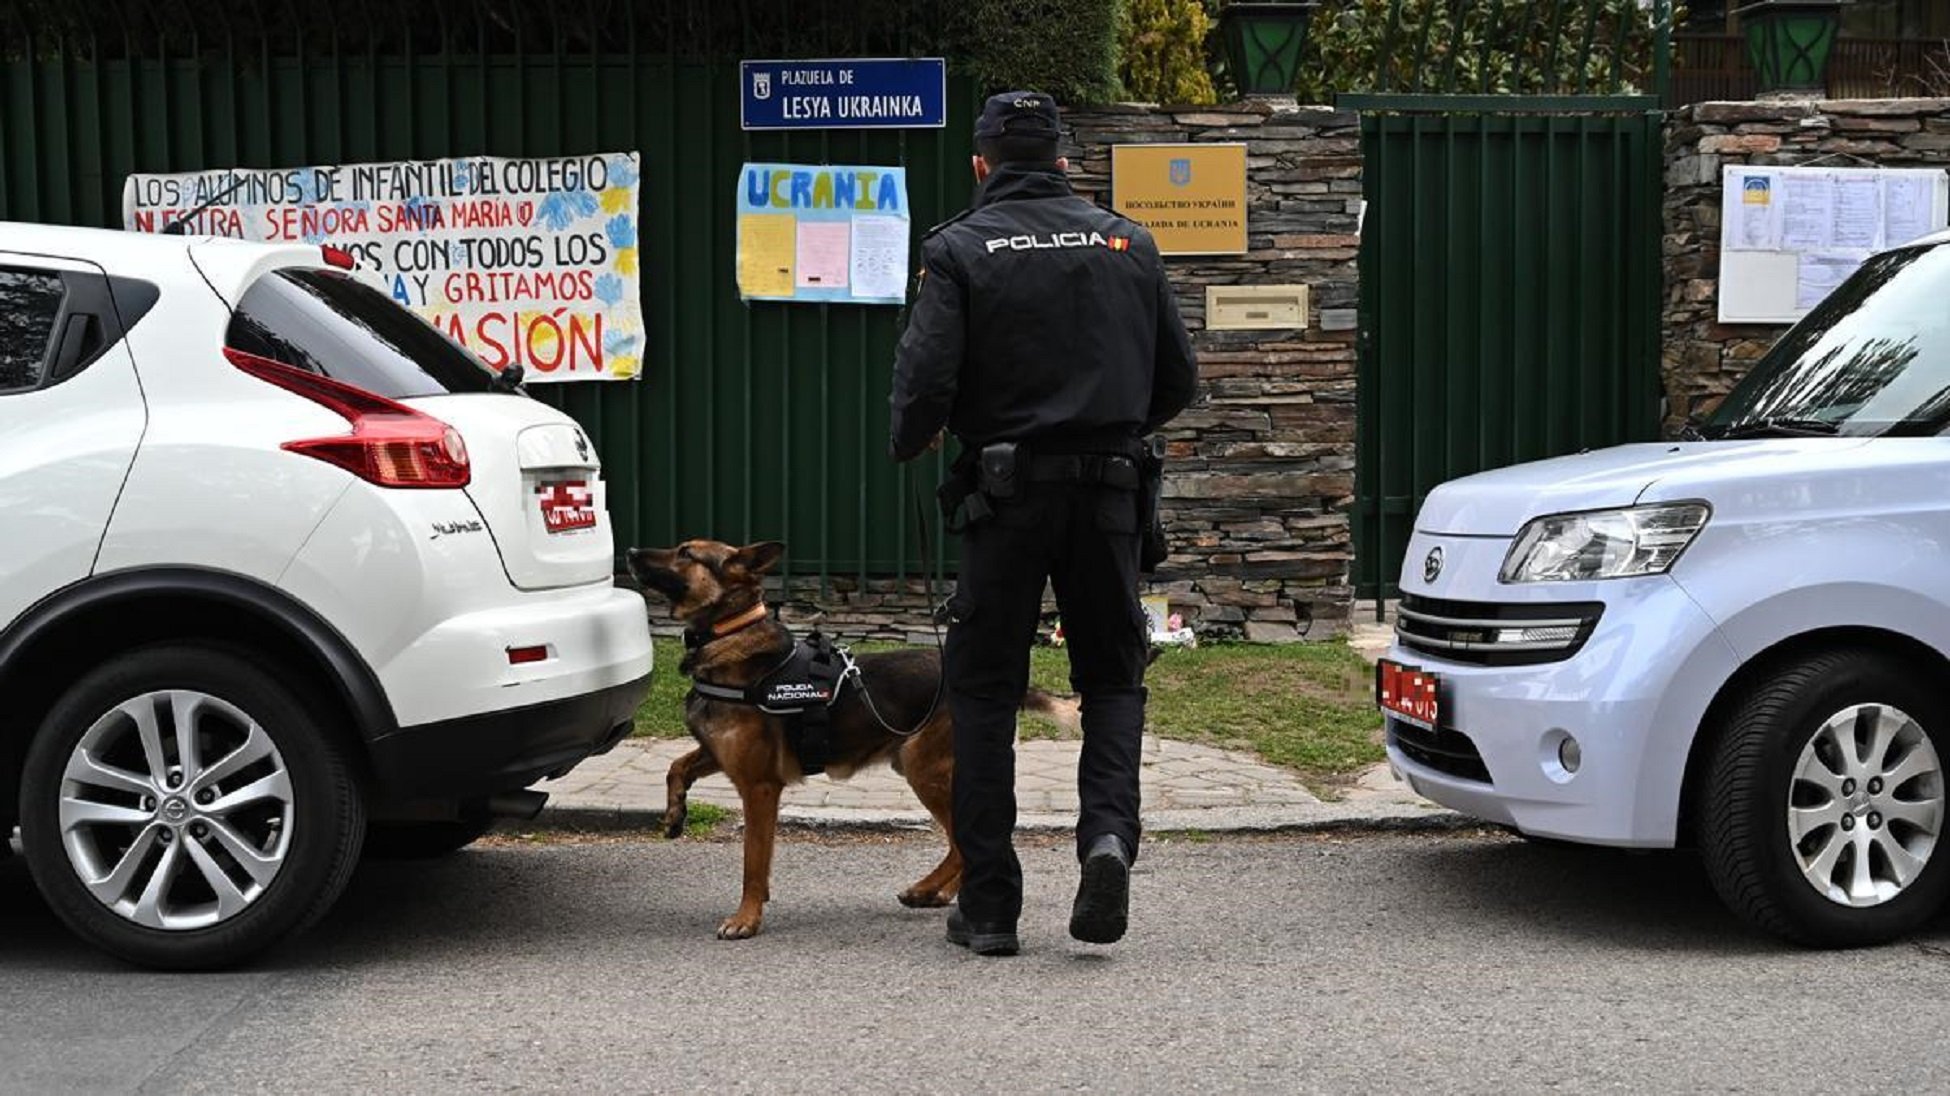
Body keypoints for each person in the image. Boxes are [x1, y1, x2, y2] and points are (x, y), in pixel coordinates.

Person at [888, 90, 1197, 956]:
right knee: (1112, 680)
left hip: (1005, 499)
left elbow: (923, 387)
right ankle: (1105, 841)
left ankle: (989, 905)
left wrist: (912, 440)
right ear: (1064, 159)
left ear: (982, 164)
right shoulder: (1128, 241)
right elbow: (1177, 379)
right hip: (1109, 499)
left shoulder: (958, 249)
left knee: (984, 694)